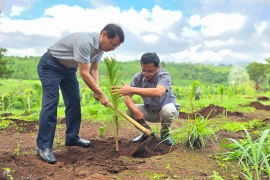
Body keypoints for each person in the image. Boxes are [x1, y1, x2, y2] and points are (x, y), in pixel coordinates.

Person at [36, 23, 125, 164]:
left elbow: (93, 70)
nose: (112, 49)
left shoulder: (101, 48)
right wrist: (101, 94)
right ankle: (44, 146)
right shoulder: (86, 42)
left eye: (115, 47)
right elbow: (84, 73)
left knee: (74, 100)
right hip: (51, 66)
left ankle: (72, 137)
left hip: (69, 69)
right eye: (112, 44)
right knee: (51, 102)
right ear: (103, 34)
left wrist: (96, 90)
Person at [112, 53, 180, 146]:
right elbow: (126, 95)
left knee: (167, 111)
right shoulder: (138, 77)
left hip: (167, 110)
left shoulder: (164, 76)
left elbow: (158, 92)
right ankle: (147, 133)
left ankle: (165, 134)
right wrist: (136, 111)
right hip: (150, 110)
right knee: (130, 110)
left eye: (150, 71)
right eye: (144, 70)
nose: (146, 74)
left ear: (158, 67)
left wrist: (132, 89)